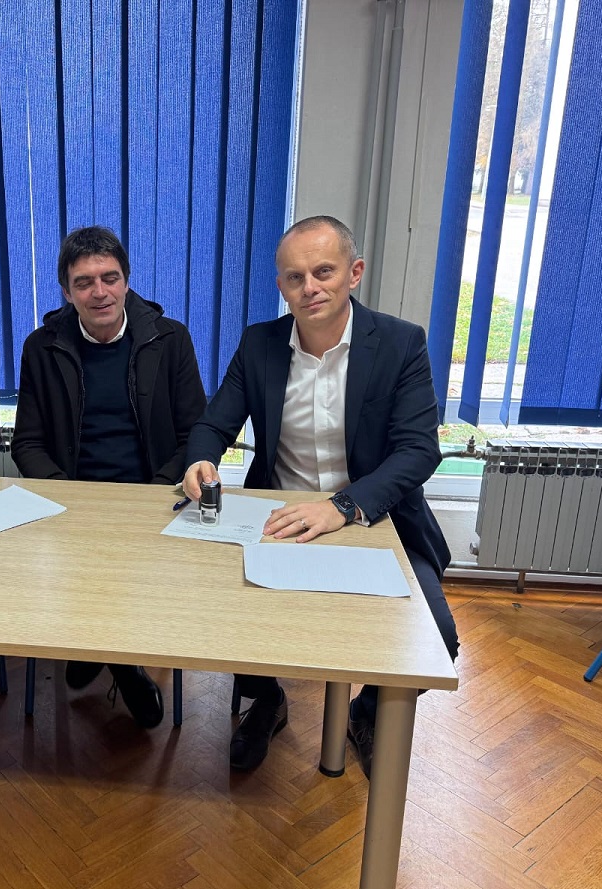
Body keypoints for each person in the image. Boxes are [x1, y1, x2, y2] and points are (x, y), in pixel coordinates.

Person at [182, 215, 459, 775]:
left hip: (374, 518)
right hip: (277, 516)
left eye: (324, 272)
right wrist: (200, 458)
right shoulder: (259, 344)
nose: (309, 287)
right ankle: (266, 700)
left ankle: (368, 711)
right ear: (281, 287)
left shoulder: (400, 343)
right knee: (233, 613)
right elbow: (213, 424)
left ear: (354, 273)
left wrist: (342, 507)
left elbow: (418, 450)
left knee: (438, 637)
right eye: (295, 277)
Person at [13, 225, 207, 728]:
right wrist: (70, 498)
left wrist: (150, 495)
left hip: (152, 499)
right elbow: (27, 444)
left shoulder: (170, 339)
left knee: (135, 579)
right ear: (66, 291)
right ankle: (117, 662)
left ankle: (105, 653)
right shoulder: (41, 347)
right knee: (76, 572)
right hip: (71, 503)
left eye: (110, 278)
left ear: (127, 280)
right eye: (84, 282)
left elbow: (194, 434)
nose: (99, 292)